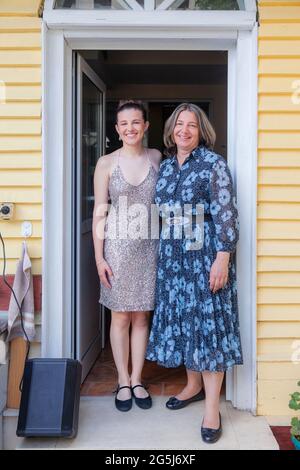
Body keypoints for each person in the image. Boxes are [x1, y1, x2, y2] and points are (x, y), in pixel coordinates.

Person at [146, 103, 243, 443]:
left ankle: (212, 408)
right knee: (185, 322)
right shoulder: (167, 166)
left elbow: (226, 213)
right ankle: (192, 386)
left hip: (204, 255)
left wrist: (223, 256)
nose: (184, 130)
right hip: (172, 256)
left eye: (192, 126)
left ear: (201, 132)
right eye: (179, 125)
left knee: (208, 326)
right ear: (171, 129)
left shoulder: (213, 164)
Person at [92, 100, 161, 412]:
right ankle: (121, 380)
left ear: (145, 126)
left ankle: (136, 378)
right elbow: (99, 212)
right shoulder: (106, 163)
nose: (130, 128)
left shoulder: (157, 157)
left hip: (150, 247)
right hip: (117, 249)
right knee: (120, 315)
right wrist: (99, 259)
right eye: (124, 123)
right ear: (117, 129)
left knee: (142, 316)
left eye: (136, 122)